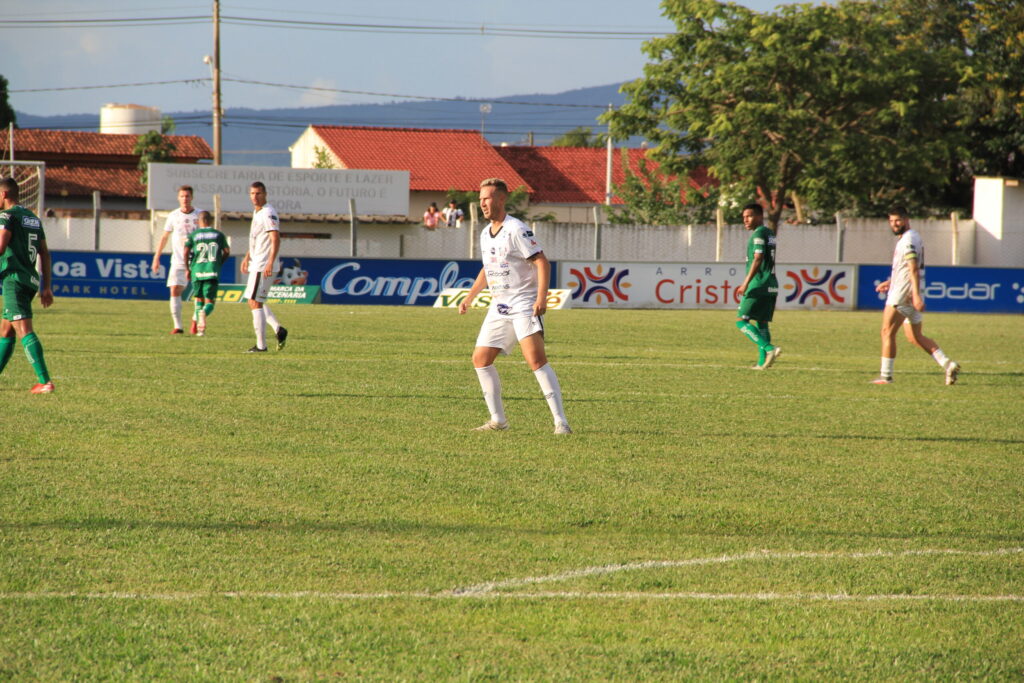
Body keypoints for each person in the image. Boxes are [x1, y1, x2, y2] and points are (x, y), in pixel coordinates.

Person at [458, 178, 571, 434]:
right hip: (499, 306)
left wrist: (541, 298)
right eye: (480, 199)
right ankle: (498, 421)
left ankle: (561, 422)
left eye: (486, 198)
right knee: (480, 359)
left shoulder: (516, 229)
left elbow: (542, 262)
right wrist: (470, 297)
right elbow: (488, 269)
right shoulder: (486, 233)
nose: (482, 204)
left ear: (500, 199)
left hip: (522, 304)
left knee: (535, 361)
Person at [872, 206, 960, 385]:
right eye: (891, 221)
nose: (894, 224)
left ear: (906, 219)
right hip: (906, 291)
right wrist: (890, 282)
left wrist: (916, 295)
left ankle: (885, 376)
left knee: (886, 332)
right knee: (915, 337)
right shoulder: (912, 237)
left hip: (903, 295)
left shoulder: (908, 240)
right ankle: (947, 364)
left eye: (897, 220)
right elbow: (907, 269)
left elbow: (913, 268)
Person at [0, 177, 54, 393]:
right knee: (6, 331)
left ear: (3, 194)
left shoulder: (6, 216)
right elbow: (45, 254)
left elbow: (1, 246)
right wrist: (47, 286)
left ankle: (45, 381)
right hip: (30, 280)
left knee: (23, 329)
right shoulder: (32, 218)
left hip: (14, 279)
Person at [241, 181, 288, 353]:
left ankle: (261, 346)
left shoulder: (267, 212)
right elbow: (257, 239)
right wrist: (247, 257)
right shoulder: (258, 212)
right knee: (254, 301)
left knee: (255, 302)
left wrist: (269, 261)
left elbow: (275, 238)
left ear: (265, 194)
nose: (255, 197)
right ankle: (278, 329)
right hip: (257, 262)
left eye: (258, 193)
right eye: (252, 193)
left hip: (263, 265)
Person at [735, 203, 782, 369]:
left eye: (749, 216)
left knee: (741, 321)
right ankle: (763, 363)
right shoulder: (770, 233)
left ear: (760, 216)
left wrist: (745, 282)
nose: (745, 220)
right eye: (744, 217)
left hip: (759, 283)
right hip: (771, 284)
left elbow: (758, 257)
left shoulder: (759, 233)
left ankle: (770, 348)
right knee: (762, 322)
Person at [151, 185, 201, 335]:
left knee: (199, 293)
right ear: (178, 198)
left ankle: (195, 321)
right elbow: (165, 237)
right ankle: (178, 327)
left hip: (197, 260)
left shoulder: (200, 214)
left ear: (192, 198)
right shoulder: (173, 215)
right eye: (182, 196)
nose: (185, 199)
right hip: (178, 260)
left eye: (187, 196)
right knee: (174, 289)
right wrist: (156, 257)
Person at [183, 210, 230, 337]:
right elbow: (227, 251)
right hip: (211, 270)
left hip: (196, 271)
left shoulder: (194, 235)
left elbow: (186, 251)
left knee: (199, 299)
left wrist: (187, 268)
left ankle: (200, 331)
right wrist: (219, 262)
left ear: (198, 222)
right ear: (211, 221)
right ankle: (204, 313)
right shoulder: (218, 235)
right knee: (210, 302)